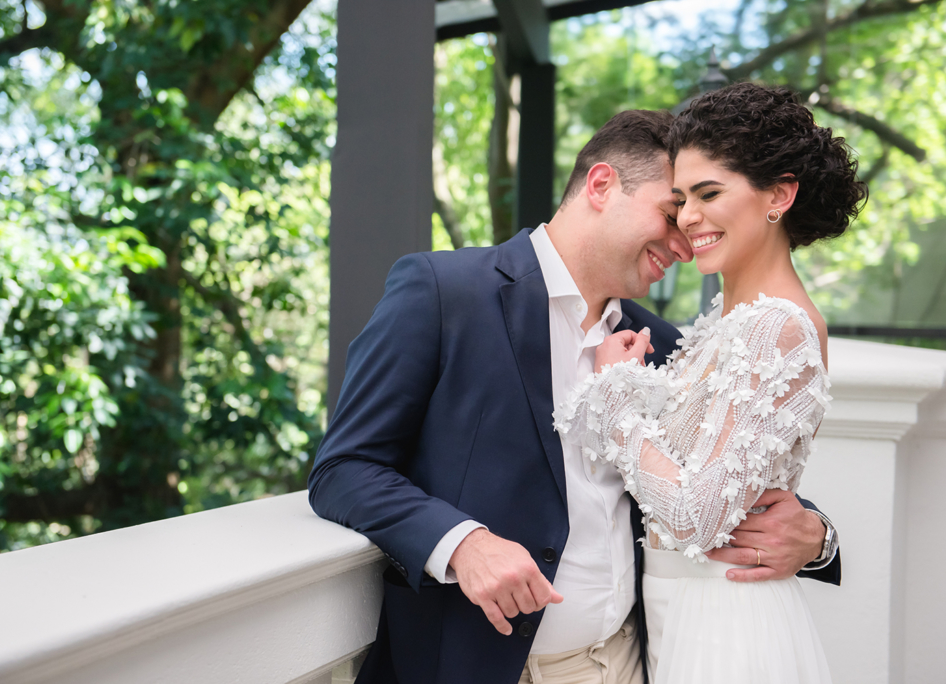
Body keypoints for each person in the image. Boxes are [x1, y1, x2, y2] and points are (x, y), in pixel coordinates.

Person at [308, 107, 841, 684]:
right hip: (482, 667)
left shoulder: (661, 343)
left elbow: (711, 475)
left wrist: (818, 538)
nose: (684, 237)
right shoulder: (443, 294)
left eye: (696, 205)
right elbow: (345, 467)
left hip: (635, 661)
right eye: (671, 210)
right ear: (602, 184)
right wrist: (461, 543)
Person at [555, 83, 863, 683]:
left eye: (708, 193)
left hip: (724, 624)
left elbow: (696, 513)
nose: (688, 218)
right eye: (679, 199)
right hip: (670, 621)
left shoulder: (778, 326)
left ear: (779, 194)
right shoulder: (714, 328)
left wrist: (618, 394)